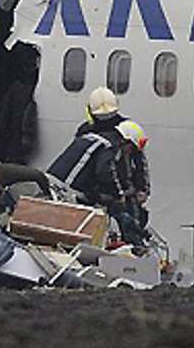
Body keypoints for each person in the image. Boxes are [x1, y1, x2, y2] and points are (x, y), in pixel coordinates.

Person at [47, 87, 149, 245]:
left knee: (129, 219)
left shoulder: (124, 131)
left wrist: (141, 188)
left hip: (121, 185)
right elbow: (102, 169)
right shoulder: (98, 137)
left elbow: (139, 159)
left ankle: (133, 244)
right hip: (97, 186)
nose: (106, 119)